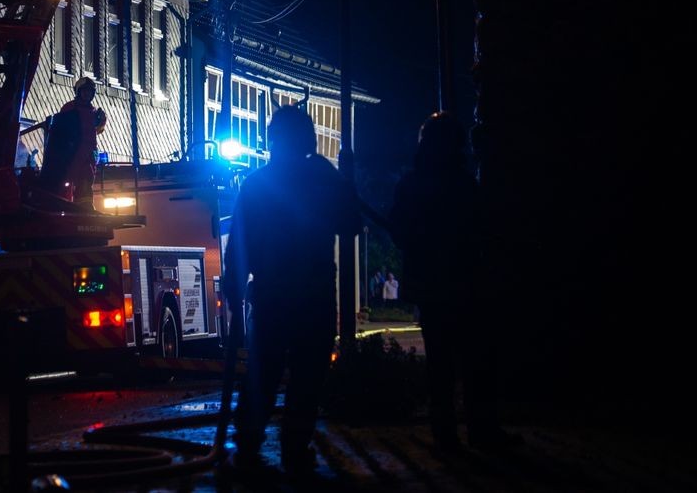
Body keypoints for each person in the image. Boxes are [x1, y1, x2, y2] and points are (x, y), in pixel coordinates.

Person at [223, 106, 362, 476]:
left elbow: (240, 242)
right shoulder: (324, 179)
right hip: (313, 292)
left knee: (263, 371)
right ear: (307, 139)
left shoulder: (258, 184)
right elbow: (350, 226)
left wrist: (233, 287)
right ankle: (294, 447)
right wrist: (345, 183)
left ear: (273, 140)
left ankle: (249, 444)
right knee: (308, 373)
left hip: (272, 293)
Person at [389, 112, 520, 452]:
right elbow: (483, 231)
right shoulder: (463, 185)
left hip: (436, 286)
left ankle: (446, 433)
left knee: (441, 365)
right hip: (464, 283)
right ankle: (479, 429)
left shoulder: (412, 185)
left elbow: (399, 232)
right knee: (474, 361)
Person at [38, 76, 107, 208]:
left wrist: (101, 121)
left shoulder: (94, 112)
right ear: (78, 92)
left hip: (88, 152)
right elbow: (61, 129)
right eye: (84, 91)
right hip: (72, 151)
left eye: (89, 91)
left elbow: (97, 130)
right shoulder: (69, 108)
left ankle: (85, 207)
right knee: (66, 178)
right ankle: (65, 204)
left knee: (86, 180)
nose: (87, 94)